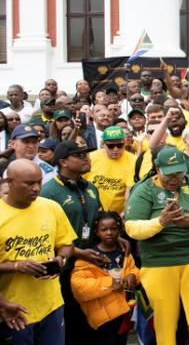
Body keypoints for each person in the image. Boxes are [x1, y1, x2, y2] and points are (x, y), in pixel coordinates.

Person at [124, 147, 189, 345]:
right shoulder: (145, 189)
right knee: (164, 321)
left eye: (180, 172)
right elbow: (132, 227)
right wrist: (161, 221)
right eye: (170, 174)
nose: (175, 179)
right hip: (159, 263)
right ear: (158, 169)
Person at [0, 159, 76, 344]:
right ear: (9, 182)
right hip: (13, 310)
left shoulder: (51, 207)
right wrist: (17, 266)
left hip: (51, 305)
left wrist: (61, 259)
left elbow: (67, 244)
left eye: (39, 182)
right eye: (29, 183)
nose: (36, 188)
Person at [40, 139, 105, 345]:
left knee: (94, 321)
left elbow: (98, 220)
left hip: (93, 262)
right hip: (66, 267)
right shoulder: (48, 192)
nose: (86, 159)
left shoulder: (91, 187)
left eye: (86, 154)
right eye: (79, 155)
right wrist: (79, 252)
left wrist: (116, 239)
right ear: (63, 162)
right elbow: (48, 237)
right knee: (72, 322)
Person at [70, 211, 139, 345]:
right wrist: (110, 283)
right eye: (104, 229)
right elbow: (79, 287)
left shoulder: (123, 251)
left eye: (113, 229)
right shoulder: (91, 256)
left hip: (124, 312)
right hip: (102, 316)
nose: (109, 233)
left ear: (119, 230)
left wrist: (133, 276)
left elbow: (133, 269)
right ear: (97, 232)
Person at [84, 126, 136, 213]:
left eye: (120, 145)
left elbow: (129, 193)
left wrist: (123, 215)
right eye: (111, 146)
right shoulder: (91, 157)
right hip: (91, 211)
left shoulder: (133, 160)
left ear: (125, 143)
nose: (116, 149)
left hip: (117, 214)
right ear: (103, 144)